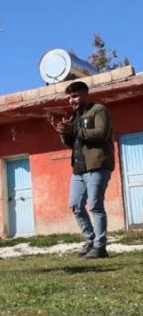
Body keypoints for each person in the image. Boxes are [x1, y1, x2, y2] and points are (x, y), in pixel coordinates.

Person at [50, 81, 114, 259]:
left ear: (86, 94)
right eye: (70, 97)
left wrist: (75, 129)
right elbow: (72, 143)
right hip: (79, 169)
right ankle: (92, 240)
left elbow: (101, 134)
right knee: (75, 205)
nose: (72, 100)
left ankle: (100, 247)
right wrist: (63, 132)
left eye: (75, 96)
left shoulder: (99, 110)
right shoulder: (74, 116)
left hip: (97, 166)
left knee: (95, 205)